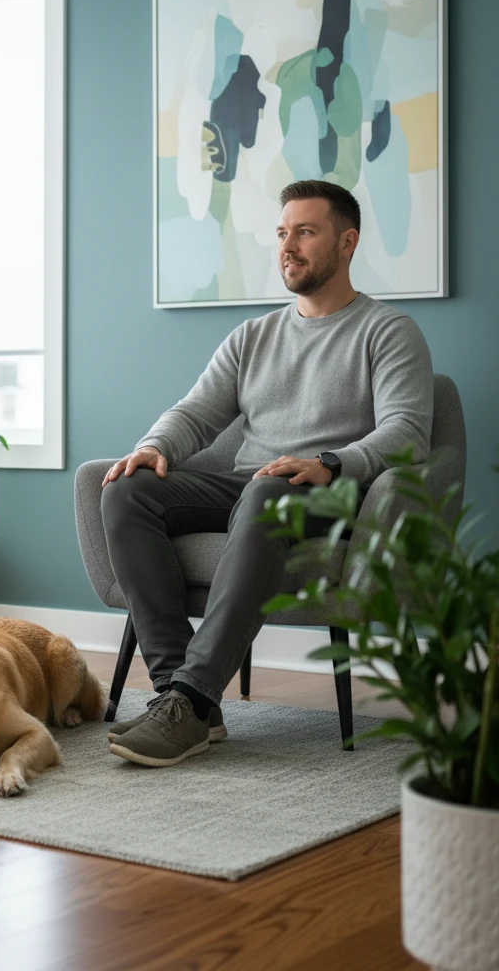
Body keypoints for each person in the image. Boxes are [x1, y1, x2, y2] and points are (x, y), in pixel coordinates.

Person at [100, 180, 433, 768]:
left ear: (347, 241)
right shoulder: (253, 336)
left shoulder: (388, 331)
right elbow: (196, 412)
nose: (289, 246)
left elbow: (407, 429)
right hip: (253, 479)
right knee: (127, 489)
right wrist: (154, 445)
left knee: (267, 491)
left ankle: (192, 697)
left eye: (306, 232)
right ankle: (181, 699)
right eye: (283, 233)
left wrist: (332, 463)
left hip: (329, 490)